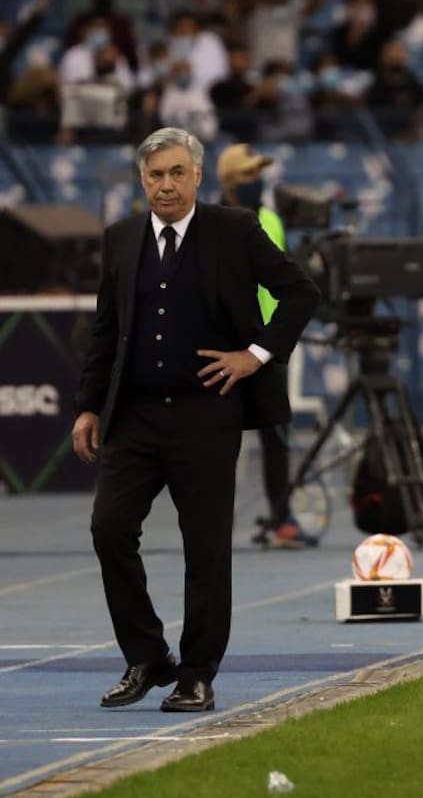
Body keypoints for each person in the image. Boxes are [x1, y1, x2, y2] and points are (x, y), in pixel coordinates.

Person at [71, 128, 319, 713]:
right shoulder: (121, 237)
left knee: (205, 548)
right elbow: (106, 329)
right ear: (142, 179)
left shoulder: (236, 229)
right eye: (156, 175)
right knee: (109, 528)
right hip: (133, 416)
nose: (166, 185)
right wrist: (88, 405)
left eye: (177, 173)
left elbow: (300, 292)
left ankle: (198, 673)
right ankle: (147, 656)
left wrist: (254, 355)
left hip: (206, 414)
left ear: (198, 176)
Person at [215, 143, 316, 550]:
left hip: (267, 344)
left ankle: (281, 518)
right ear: (228, 181)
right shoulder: (211, 223)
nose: (256, 181)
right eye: (247, 175)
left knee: (277, 435)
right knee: (215, 438)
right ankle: (210, 522)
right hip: (225, 341)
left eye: (258, 173)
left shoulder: (271, 219)